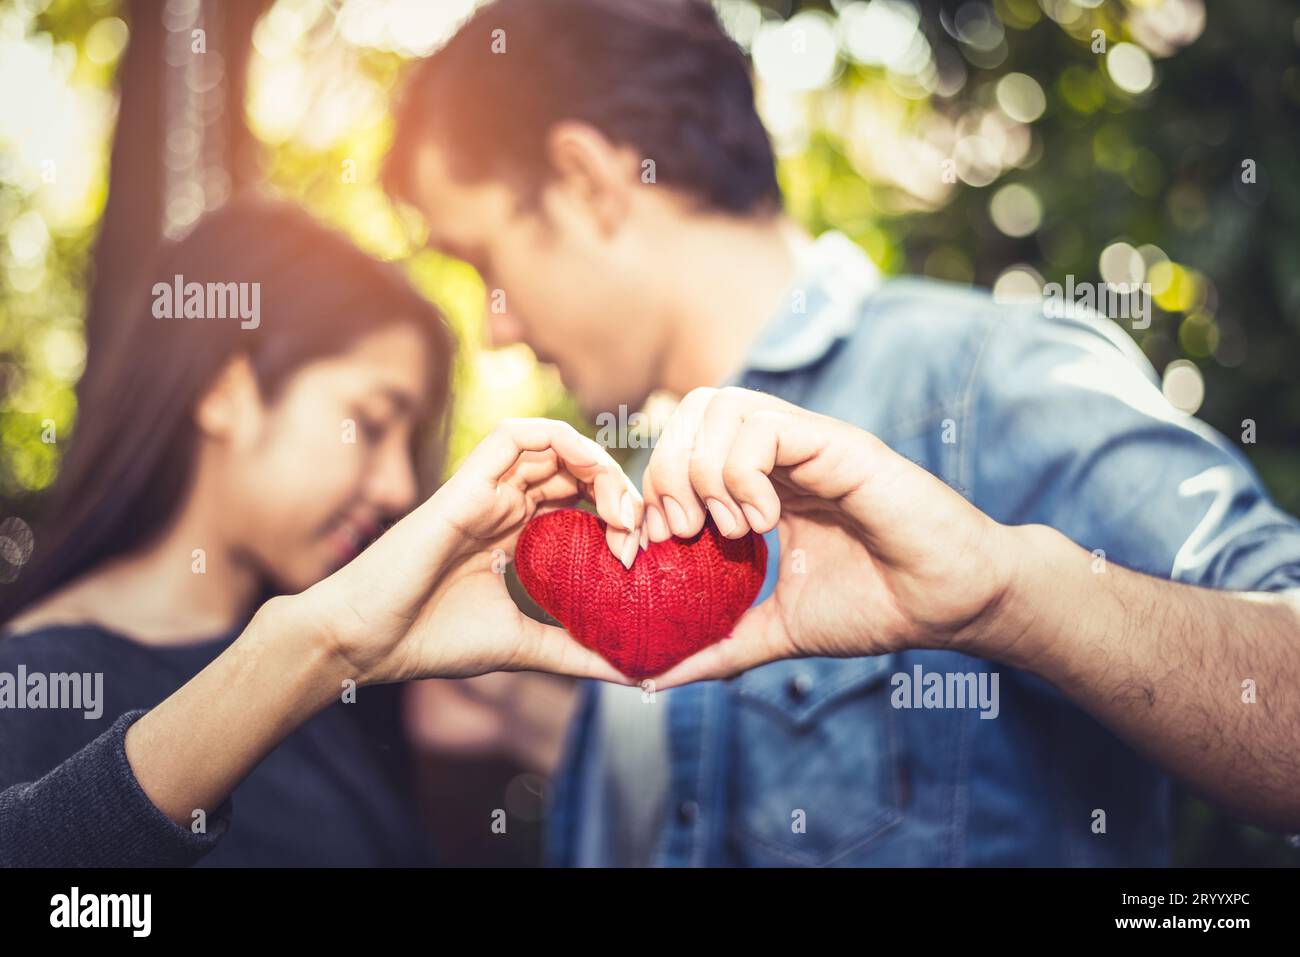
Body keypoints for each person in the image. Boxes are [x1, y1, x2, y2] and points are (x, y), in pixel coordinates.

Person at [380, 0, 1300, 866]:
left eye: (478, 257)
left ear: (587, 182)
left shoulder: (990, 375)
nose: (495, 326)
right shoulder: (625, 481)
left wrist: (1008, 592)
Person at [0, 196, 642, 866]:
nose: (396, 487)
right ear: (227, 391)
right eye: (367, 424)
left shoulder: (369, 681)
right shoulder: (34, 683)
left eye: (407, 442)